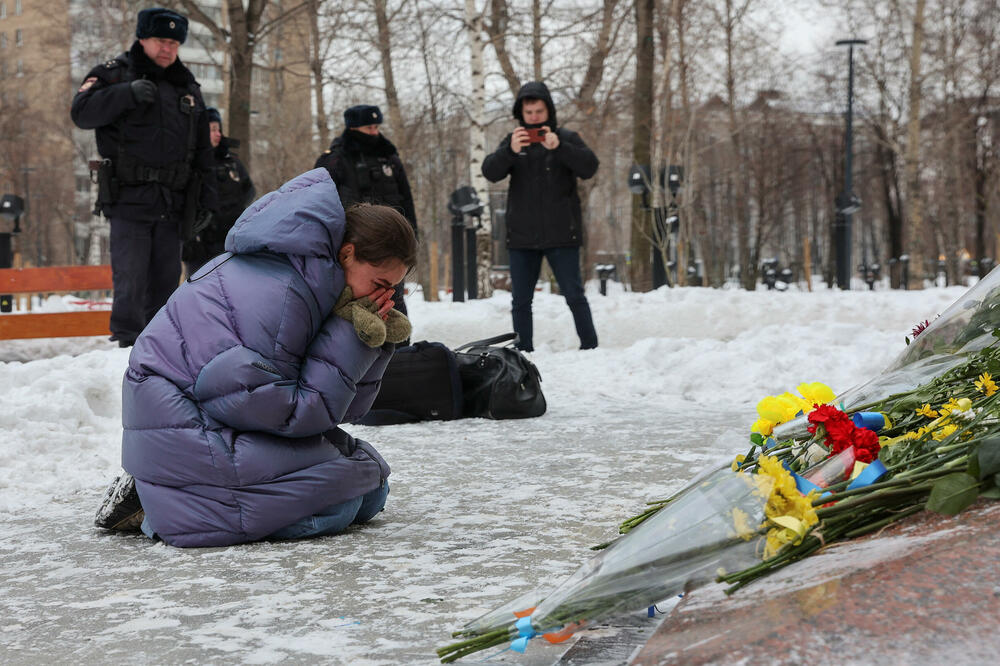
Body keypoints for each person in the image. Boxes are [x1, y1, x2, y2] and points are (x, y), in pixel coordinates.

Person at [93, 168, 417, 547]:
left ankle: (162, 495)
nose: (386, 299)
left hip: (222, 422)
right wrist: (351, 335)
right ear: (347, 253)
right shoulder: (283, 293)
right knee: (339, 506)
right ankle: (155, 510)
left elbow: (345, 409)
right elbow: (288, 412)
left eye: (393, 290)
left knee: (370, 491)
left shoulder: (317, 284)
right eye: (379, 285)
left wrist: (369, 339)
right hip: (184, 429)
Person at [71, 7, 215, 348]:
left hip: (173, 200)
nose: (167, 48)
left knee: (166, 281)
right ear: (142, 39)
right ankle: (125, 349)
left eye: (174, 43)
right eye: (160, 40)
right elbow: (81, 112)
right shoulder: (115, 74)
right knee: (131, 281)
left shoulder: (187, 86)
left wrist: (208, 198)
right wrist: (126, 94)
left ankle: (160, 349)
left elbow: (203, 149)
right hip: (129, 198)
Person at [482, 81, 600, 352]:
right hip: (522, 236)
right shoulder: (513, 142)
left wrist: (559, 147)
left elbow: (590, 167)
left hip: (562, 234)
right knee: (521, 300)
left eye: (538, 111)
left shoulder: (567, 138)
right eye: (529, 112)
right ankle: (523, 351)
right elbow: (490, 172)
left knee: (574, 295)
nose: (534, 117)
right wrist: (509, 151)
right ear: (520, 113)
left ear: (549, 111)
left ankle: (591, 348)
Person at [315, 105, 417, 320]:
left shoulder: (389, 159)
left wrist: (412, 239)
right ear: (353, 128)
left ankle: (399, 352)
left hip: (394, 248)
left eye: (376, 126)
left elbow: (406, 200)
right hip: (357, 251)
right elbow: (319, 202)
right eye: (368, 127)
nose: (374, 132)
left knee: (393, 306)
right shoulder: (335, 160)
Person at [182, 107, 256, 277]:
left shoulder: (232, 163)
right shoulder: (191, 163)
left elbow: (249, 191)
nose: (218, 134)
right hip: (199, 245)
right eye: (212, 129)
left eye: (219, 129)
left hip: (227, 242)